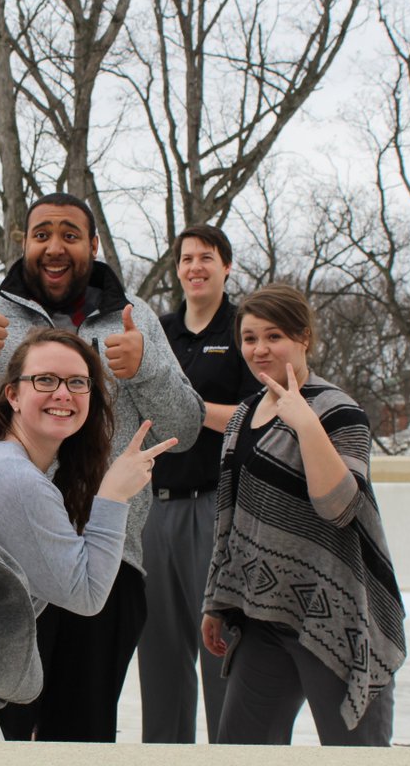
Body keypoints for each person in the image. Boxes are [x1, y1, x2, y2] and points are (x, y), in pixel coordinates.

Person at [0, 194, 204, 742]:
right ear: (23, 243)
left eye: (71, 234)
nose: (55, 246)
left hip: (104, 562)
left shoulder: (135, 320)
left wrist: (149, 371)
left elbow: (185, 430)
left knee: (81, 740)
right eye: (42, 233)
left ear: (93, 246)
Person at [201, 283, 406, 746]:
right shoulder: (243, 416)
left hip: (328, 611)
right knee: (240, 749)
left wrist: (305, 422)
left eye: (274, 337)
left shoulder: (339, 412)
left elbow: (339, 507)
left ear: (304, 338)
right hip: (260, 611)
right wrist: (216, 599)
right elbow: (231, 522)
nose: (259, 349)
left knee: (356, 752)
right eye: (249, 338)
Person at [0, 328, 177, 618]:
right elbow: (87, 595)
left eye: (76, 382)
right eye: (45, 380)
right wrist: (114, 494)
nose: (63, 394)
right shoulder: (16, 477)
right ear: (13, 395)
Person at [138, 225, 259, 743]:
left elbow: (258, 418)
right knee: (160, 654)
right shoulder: (159, 332)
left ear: (226, 266)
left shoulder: (243, 330)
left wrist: (189, 412)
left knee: (220, 648)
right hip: (153, 509)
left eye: (206, 258)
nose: (195, 268)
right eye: (186, 258)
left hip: (216, 507)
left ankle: (231, 754)